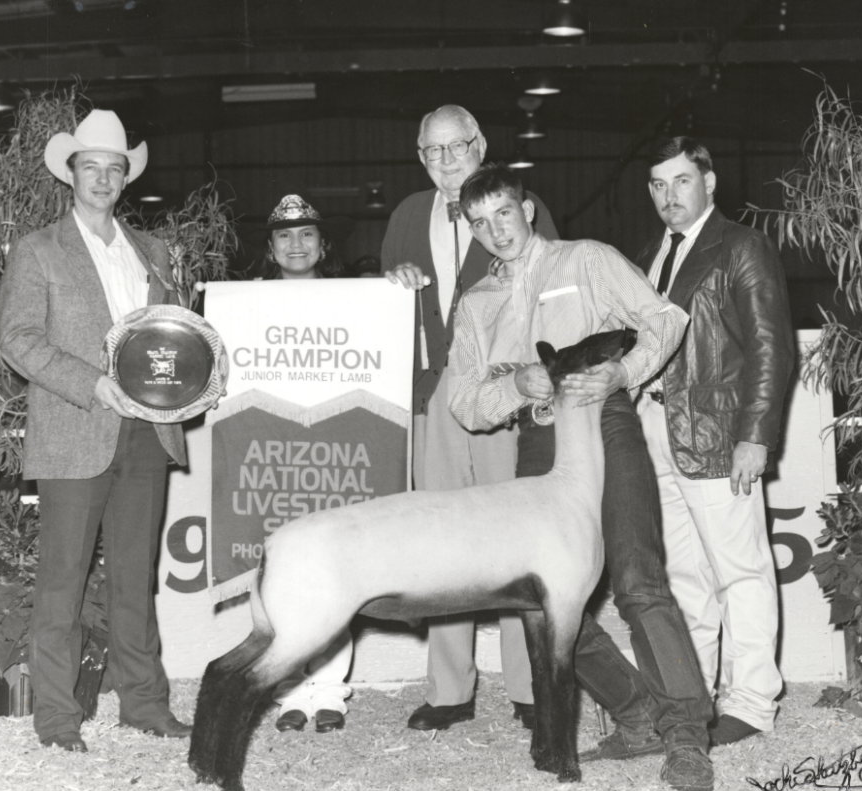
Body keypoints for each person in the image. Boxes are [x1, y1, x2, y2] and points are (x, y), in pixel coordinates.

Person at [447, 163, 715, 791]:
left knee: (638, 580)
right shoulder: (477, 303)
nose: (496, 232)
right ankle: (635, 715)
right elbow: (463, 401)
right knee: (539, 602)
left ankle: (686, 739)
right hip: (538, 442)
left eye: (504, 215)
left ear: (527, 210)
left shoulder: (586, 260)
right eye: (480, 224)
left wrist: (627, 373)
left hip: (603, 423)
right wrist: (516, 383)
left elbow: (666, 318)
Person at [0, 109, 190, 753]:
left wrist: (184, 384)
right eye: (91, 167)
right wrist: (92, 382)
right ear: (70, 174)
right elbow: (17, 339)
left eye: (115, 168)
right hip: (75, 430)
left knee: (135, 579)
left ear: (125, 178)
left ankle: (145, 705)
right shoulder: (37, 250)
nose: (103, 178)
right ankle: (56, 718)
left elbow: (174, 339)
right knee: (63, 581)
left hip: (146, 434)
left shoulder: (154, 252)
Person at [381, 105, 559, 732]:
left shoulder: (520, 204)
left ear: (481, 146)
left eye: (458, 146)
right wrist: (392, 279)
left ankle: (531, 686)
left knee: (511, 541)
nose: (447, 160)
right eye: (433, 151)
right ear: (420, 157)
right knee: (441, 544)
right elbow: (385, 309)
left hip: (504, 398)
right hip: (436, 396)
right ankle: (450, 689)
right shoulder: (407, 214)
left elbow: (554, 297)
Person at [636, 137, 794, 747]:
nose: (668, 196)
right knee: (684, 579)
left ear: (709, 182)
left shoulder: (741, 245)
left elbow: (769, 347)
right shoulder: (653, 253)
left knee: (741, 573)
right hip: (658, 433)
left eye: (679, 181)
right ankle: (692, 696)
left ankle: (752, 702)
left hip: (717, 434)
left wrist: (755, 437)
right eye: (657, 185)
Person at [250, 193, 356, 734]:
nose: (297, 244)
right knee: (281, 578)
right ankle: (289, 691)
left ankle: (331, 692)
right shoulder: (248, 304)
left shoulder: (356, 300)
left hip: (335, 447)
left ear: (324, 244)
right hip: (275, 451)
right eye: (285, 236)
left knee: (336, 573)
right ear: (270, 249)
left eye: (307, 234)